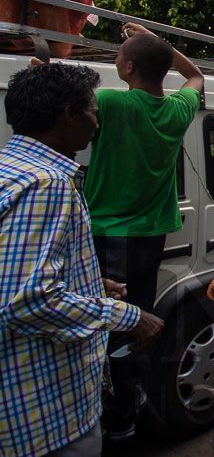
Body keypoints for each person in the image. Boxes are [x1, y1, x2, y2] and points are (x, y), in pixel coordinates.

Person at [0, 63, 163, 456]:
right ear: (69, 114)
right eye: (92, 109)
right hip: (45, 419)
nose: (97, 120)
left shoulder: (11, 170)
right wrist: (130, 316)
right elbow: (25, 301)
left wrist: (86, 281)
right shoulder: (48, 185)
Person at [83, 21, 204, 439]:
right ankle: (125, 410)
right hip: (151, 234)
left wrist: (156, 47)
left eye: (119, 57)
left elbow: (60, 100)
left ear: (129, 67)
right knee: (135, 318)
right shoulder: (177, 110)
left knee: (107, 319)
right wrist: (161, 46)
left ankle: (109, 411)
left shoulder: (110, 103)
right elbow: (196, 76)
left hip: (111, 232)